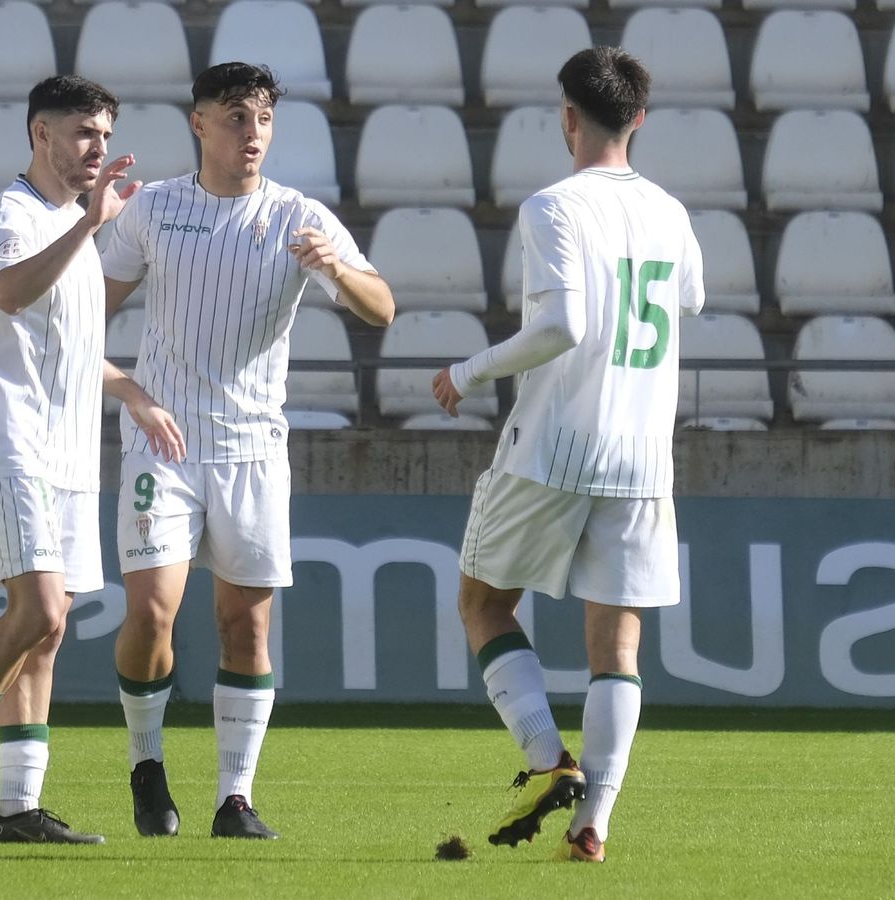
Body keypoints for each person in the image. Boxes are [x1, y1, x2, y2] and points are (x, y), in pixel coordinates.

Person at [99, 62, 395, 840]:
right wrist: (126, 391)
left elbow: (382, 307)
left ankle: (235, 797)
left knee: (246, 628)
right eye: (236, 117)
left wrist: (334, 268)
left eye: (262, 119)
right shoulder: (154, 210)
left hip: (253, 450)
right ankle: (145, 761)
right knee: (153, 612)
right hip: (161, 440)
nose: (252, 134)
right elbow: (80, 318)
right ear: (198, 123)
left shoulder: (300, 217)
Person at [431, 47, 704, 864]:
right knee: (616, 648)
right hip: (641, 453)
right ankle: (595, 829)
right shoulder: (671, 211)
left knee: (483, 605)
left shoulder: (554, 206)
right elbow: (687, 296)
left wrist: (466, 371)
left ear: (568, 116)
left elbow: (562, 329)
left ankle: (552, 762)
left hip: (552, 444)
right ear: (641, 120)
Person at [0, 75, 185, 845]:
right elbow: (5, 293)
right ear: (41, 134)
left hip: (68, 455)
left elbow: (76, 348)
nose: (96, 147)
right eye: (83, 133)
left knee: (49, 633)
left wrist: (133, 392)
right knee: (39, 610)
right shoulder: (14, 215)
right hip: (10, 444)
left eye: (104, 134)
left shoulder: (76, 225)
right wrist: (89, 227)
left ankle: (18, 808)